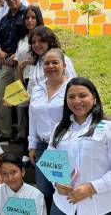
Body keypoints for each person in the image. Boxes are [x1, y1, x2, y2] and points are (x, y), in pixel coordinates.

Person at [48, 77, 111, 215]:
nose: (77, 101)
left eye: (83, 95)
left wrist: (92, 187)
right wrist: (56, 183)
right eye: (71, 97)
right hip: (62, 205)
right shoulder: (58, 128)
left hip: (98, 206)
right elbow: (51, 162)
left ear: (94, 99)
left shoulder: (108, 128)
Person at [28, 48, 71, 212]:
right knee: (44, 191)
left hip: (65, 147)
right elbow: (32, 116)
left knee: (63, 192)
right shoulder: (37, 88)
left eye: (55, 62)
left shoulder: (71, 88)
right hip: (43, 147)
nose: (51, 66)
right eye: (47, 63)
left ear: (64, 65)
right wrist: (32, 144)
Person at [0, 0, 26, 142]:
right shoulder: (4, 18)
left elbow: (32, 37)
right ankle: (5, 132)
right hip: (5, 63)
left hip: (21, 64)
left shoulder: (28, 14)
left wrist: (18, 54)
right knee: (1, 97)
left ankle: (21, 134)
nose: (11, 0)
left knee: (20, 99)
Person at [14, 5, 44, 164]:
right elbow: (20, 60)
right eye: (27, 17)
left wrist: (31, 62)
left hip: (40, 81)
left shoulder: (43, 35)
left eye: (33, 17)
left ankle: (37, 151)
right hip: (24, 79)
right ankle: (27, 149)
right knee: (25, 116)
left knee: (37, 116)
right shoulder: (22, 38)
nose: (30, 20)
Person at [27, 26, 76, 94]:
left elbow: (73, 84)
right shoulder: (36, 63)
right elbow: (30, 92)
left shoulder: (62, 59)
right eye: (33, 42)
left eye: (41, 41)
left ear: (49, 41)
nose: (37, 45)